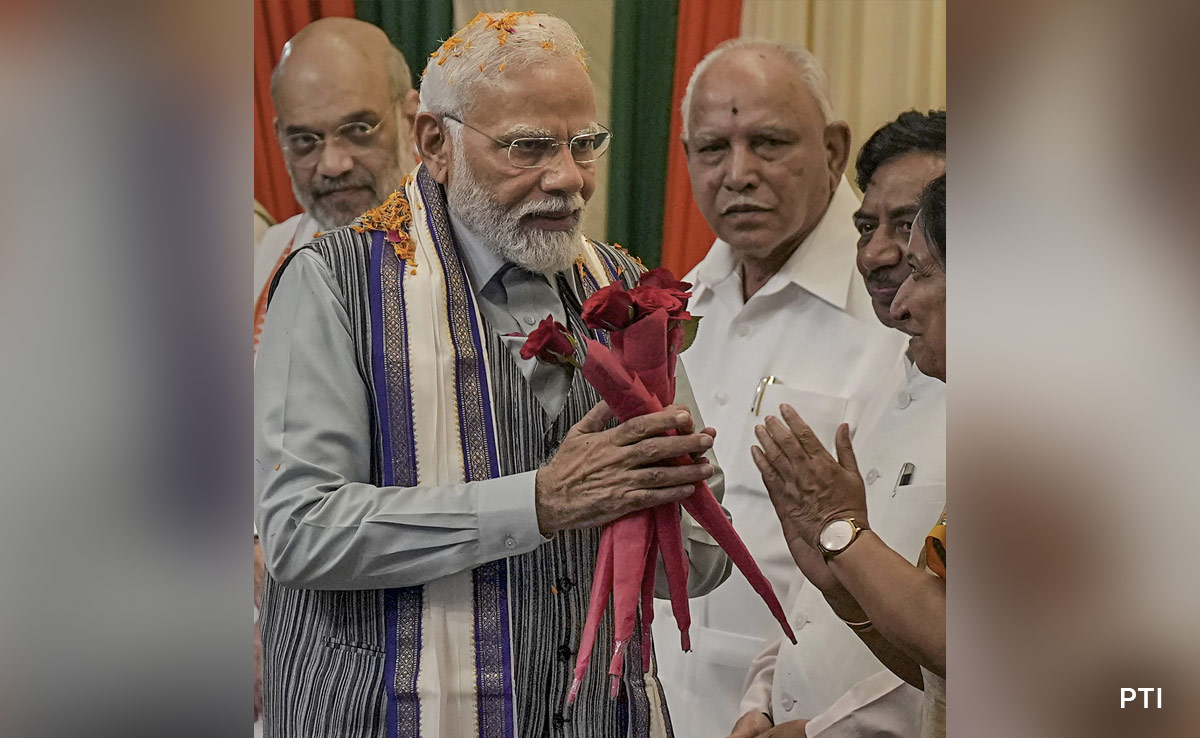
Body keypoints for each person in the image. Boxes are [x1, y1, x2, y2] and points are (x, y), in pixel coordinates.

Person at [255, 12, 731, 738]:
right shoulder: (332, 284)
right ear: (435, 145)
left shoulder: (623, 287)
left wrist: (672, 496)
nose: (569, 178)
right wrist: (536, 503)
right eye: (529, 147)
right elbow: (299, 530)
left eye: (584, 145)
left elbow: (695, 567)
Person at [652, 39, 908, 737]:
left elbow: (921, 572)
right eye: (712, 149)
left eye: (768, 142)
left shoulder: (903, 308)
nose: (739, 174)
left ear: (832, 149)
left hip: (813, 714)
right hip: (659, 702)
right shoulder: (675, 308)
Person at [730, 111, 946, 738]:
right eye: (865, 226)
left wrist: (824, 732)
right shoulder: (887, 370)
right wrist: (765, 698)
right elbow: (821, 585)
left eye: (909, 230)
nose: (881, 255)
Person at [254, 17, 420, 352]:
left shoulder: (468, 245)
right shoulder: (274, 247)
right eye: (304, 139)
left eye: (359, 130)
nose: (332, 165)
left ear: (412, 120)